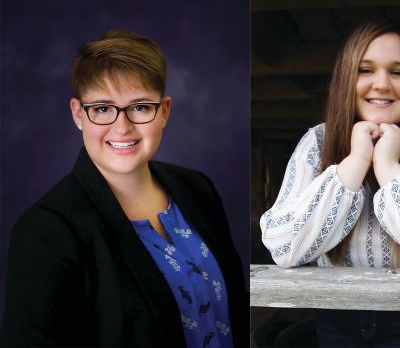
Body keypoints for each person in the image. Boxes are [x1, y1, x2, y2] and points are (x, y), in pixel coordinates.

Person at [1, 29, 247, 347]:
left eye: (140, 107)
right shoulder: (45, 231)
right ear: (79, 113)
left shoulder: (197, 188)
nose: (122, 126)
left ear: (165, 111)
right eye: (102, 108)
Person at [260, 21, 400, 346]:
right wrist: (355, 162)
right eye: (366, 70)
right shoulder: (316, 142)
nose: (382, 84)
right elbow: (284, 247)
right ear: (345, 79)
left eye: (397, 72)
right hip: (335, 328)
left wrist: (389, 166)